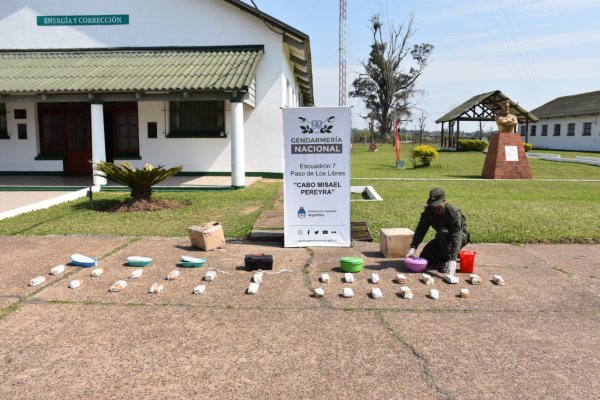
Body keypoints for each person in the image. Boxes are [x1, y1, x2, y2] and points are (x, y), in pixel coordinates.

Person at [406, 187, 470, 274]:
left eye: (437, 205)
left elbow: (456, 235)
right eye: (432, 205)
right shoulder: (429, 211)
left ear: (444, 201)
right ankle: (448, 253)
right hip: (442, 238)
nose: (435, 208)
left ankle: (445, 259)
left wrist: (453, 259)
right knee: (425, 257)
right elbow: (421, 229)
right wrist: (413, 247)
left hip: (460, 236)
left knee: (443, 232)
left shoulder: (453, 212)